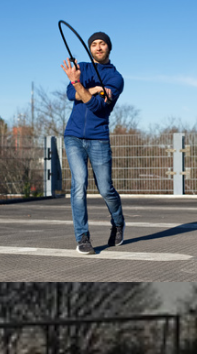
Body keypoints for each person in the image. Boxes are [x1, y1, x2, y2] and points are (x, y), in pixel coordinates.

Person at [58, 31, 126, 255]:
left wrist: (80, 86)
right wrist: (89, 88)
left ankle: (118, 223)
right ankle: (83, 237)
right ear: (90, 48)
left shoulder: (116, 79)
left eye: (102, 43)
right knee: (79, 185)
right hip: (73, 136)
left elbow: (96, 107)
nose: (98, 47)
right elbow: (71, 93)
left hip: (99, 138)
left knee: (105, 189)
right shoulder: (83, 68)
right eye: (94, 44)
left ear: (109, 48)